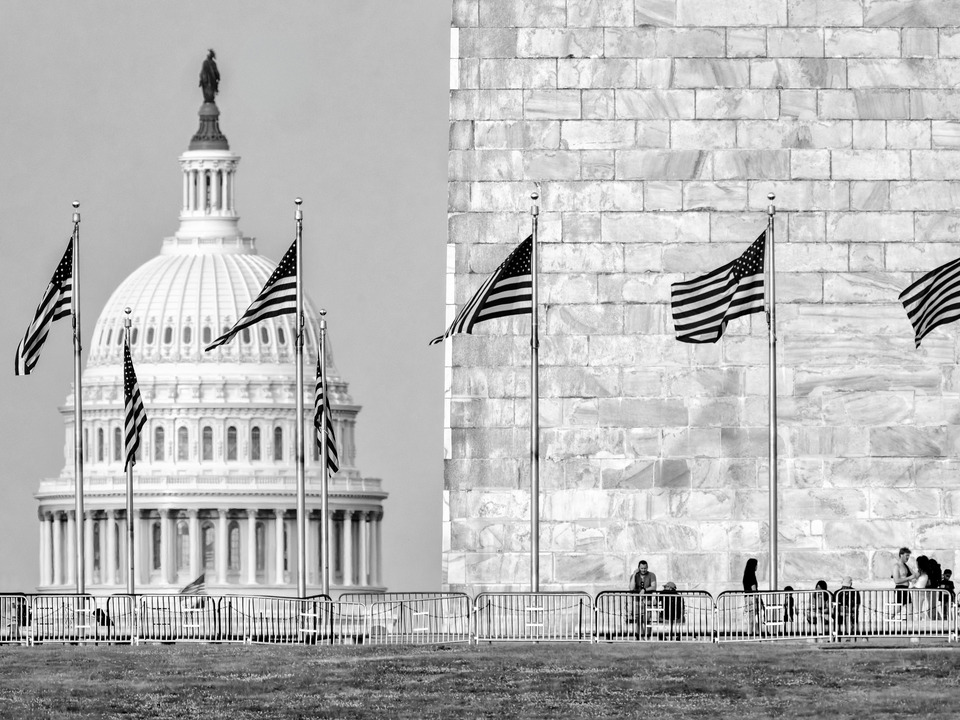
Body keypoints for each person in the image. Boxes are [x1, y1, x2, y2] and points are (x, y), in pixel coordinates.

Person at [628, 560, 657, 639]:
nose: (643, 570)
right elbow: (631, 588)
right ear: (638, 568)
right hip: (637, 600)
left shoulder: (651, 575)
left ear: (647, 567)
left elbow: (654, 587)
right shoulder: (634, 575)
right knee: (638, 619)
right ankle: (640, 635)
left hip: (648, 600)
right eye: (641, 568)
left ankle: (647, 636)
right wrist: (634, 574)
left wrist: (645, 589)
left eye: (645, 568)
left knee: (647, 619)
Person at [892, 547, 917, 620]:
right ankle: (885, 620)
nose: (908, 557)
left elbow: (914, 575)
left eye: (908, 555)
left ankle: (909, 627)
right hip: (900, 589)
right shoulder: (896, 566)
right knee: (898, 609)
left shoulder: (906, 566)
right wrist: (909, 578)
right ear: (901, 555)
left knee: (910, 609)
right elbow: (896, 581)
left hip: (906, 589)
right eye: (907, 555)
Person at [742, 558, 760, 634]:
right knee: (752, 617)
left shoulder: (745, 575)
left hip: (747, 597)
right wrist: (757, 599)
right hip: (752, 598)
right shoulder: (752, 575)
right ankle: (749, 633)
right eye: (756, 565)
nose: (757, 567)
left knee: (752, 616)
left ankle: (757, 631)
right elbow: (754, 588)